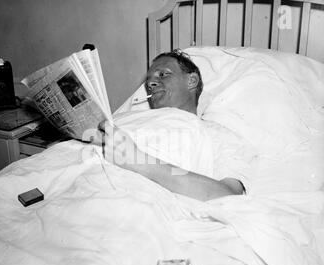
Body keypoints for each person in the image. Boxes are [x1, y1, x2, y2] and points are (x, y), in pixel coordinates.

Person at [99, 49, 245, 201]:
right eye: (148, 80)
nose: (150, 83)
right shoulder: (123, 117)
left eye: (163, 74)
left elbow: (228, 195)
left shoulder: (217, 134)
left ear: (192, 81)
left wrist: (137, 161)